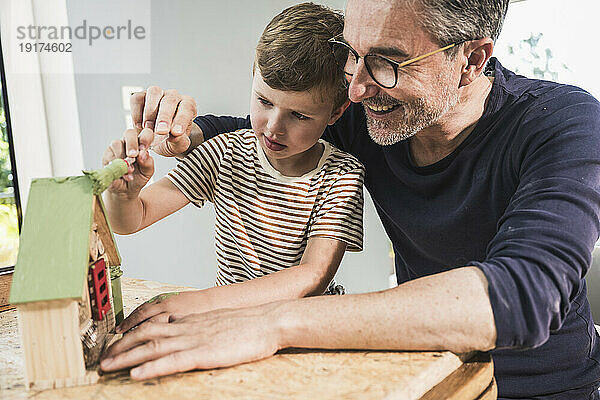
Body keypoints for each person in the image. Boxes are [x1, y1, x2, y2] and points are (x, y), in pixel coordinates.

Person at [101, 0, 600, 398]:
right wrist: (181, 132)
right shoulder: (372, 116)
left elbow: (523, 297)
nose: (357, 89)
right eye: (352, 55)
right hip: (418, 372)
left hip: (545, 388)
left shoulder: (565, 126)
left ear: (471, 59)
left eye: (386, 62)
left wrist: (270, 321)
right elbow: (257, 131)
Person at [101, 3, 364, 329]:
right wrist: (124, 195)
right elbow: (132, 220)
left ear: (336, 113)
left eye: (299, 115)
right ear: (253, 78)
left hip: (306, 331)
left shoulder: (342, 175)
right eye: (264, 102)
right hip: (227, 327)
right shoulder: (226, 151)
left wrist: (202, 302)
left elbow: (311, 276)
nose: (273, 128)